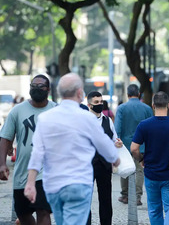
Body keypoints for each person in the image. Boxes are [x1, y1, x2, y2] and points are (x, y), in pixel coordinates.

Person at [23, 73, 120, 225]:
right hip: (78, 183)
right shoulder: (87, 118)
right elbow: (106, 145)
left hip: (53, 185)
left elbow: (37, 152)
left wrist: (30, 182)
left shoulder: (45, 118)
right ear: (80, 93)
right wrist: (116, 158)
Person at [0, 74, 56, 225]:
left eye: (41, 86)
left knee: (43, 211)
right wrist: (2, 164)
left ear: (48, 90)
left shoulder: (56, 110)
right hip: (22, 172)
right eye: (34, 86)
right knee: (23, 214)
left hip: (47, 172)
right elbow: (5, 137)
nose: (37, 89)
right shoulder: (17, 111)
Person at [131, 91, 169, 225]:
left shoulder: (144, 125)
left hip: (151, 174)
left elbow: (134, 148)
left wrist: (141, 159)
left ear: (153, 105)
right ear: (168, 105)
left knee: (154, 210)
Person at [86, 91, 123, 225]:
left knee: (106, 199)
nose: (100, 104)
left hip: (104, 165)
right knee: (85, 199)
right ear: (89, 104)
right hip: (87, 165)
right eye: (96, 102)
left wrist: (117, 143)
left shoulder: (107, 121)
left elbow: (114, 139)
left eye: (101, 102)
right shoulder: (83, 120)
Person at [114, 84, 153, 206]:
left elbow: (117, 128)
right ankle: (137, 197)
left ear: (127, 94)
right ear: (139, 94)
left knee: (124, 168)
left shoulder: (122, 108)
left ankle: (125, 195)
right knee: (139, 170)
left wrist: (117, 142)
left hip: (125, 145)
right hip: (141, 145)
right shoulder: (147, 109)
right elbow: (150, 128)